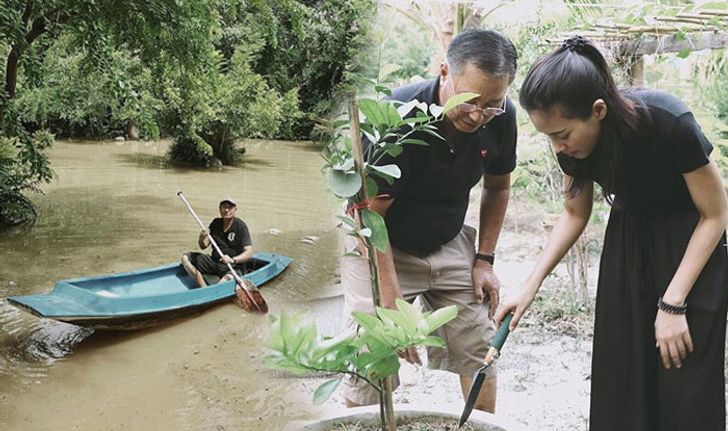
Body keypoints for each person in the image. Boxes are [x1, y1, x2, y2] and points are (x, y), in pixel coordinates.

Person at [496, 35, 728, 430]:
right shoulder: (573, 150)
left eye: (563, 134)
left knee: (683, 380)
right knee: (622, 377)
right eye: (548, 137)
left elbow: (716, 213)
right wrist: (530, 286)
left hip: (691, 247)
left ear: (598, 110)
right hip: (628, 245)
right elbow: (574, 213)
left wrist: (672, 305)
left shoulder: (669, 122)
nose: (558, 147)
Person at [341, 28, 518, 413]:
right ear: (444, 72)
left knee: (479, 346)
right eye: (470, 100)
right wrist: (390, 301)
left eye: (491, 103)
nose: (478, 114)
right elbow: (369, 218)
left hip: (448, 239)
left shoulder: (501, 118)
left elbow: (498, 187)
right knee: (375, 351)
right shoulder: (399, 118)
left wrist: (484, 260)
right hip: (380, 242)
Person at [181, 197, 253, 288]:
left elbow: (249, 253)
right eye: (224, 207)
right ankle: (202, 285)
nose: (226, 210)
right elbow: (203, 246)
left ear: (235, 210)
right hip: (214, 262)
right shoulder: (215, 223)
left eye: (230, 208)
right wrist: (202, 237)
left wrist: (233, 260)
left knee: (226, 280)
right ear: (220, 209)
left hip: (233, 266)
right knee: (185, 258)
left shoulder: (241, 226)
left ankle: (214, 291)